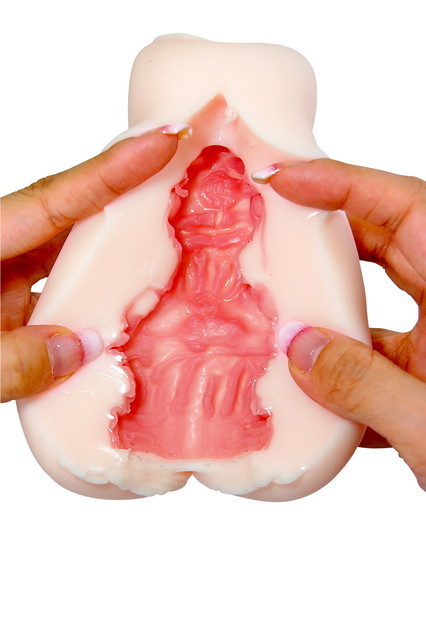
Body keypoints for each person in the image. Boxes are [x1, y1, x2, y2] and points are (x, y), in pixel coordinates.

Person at [1, 128, 425, 490]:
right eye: (203, 215)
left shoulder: (253, 279)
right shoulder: (160, 283)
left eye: (230, 213)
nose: (217, 222)